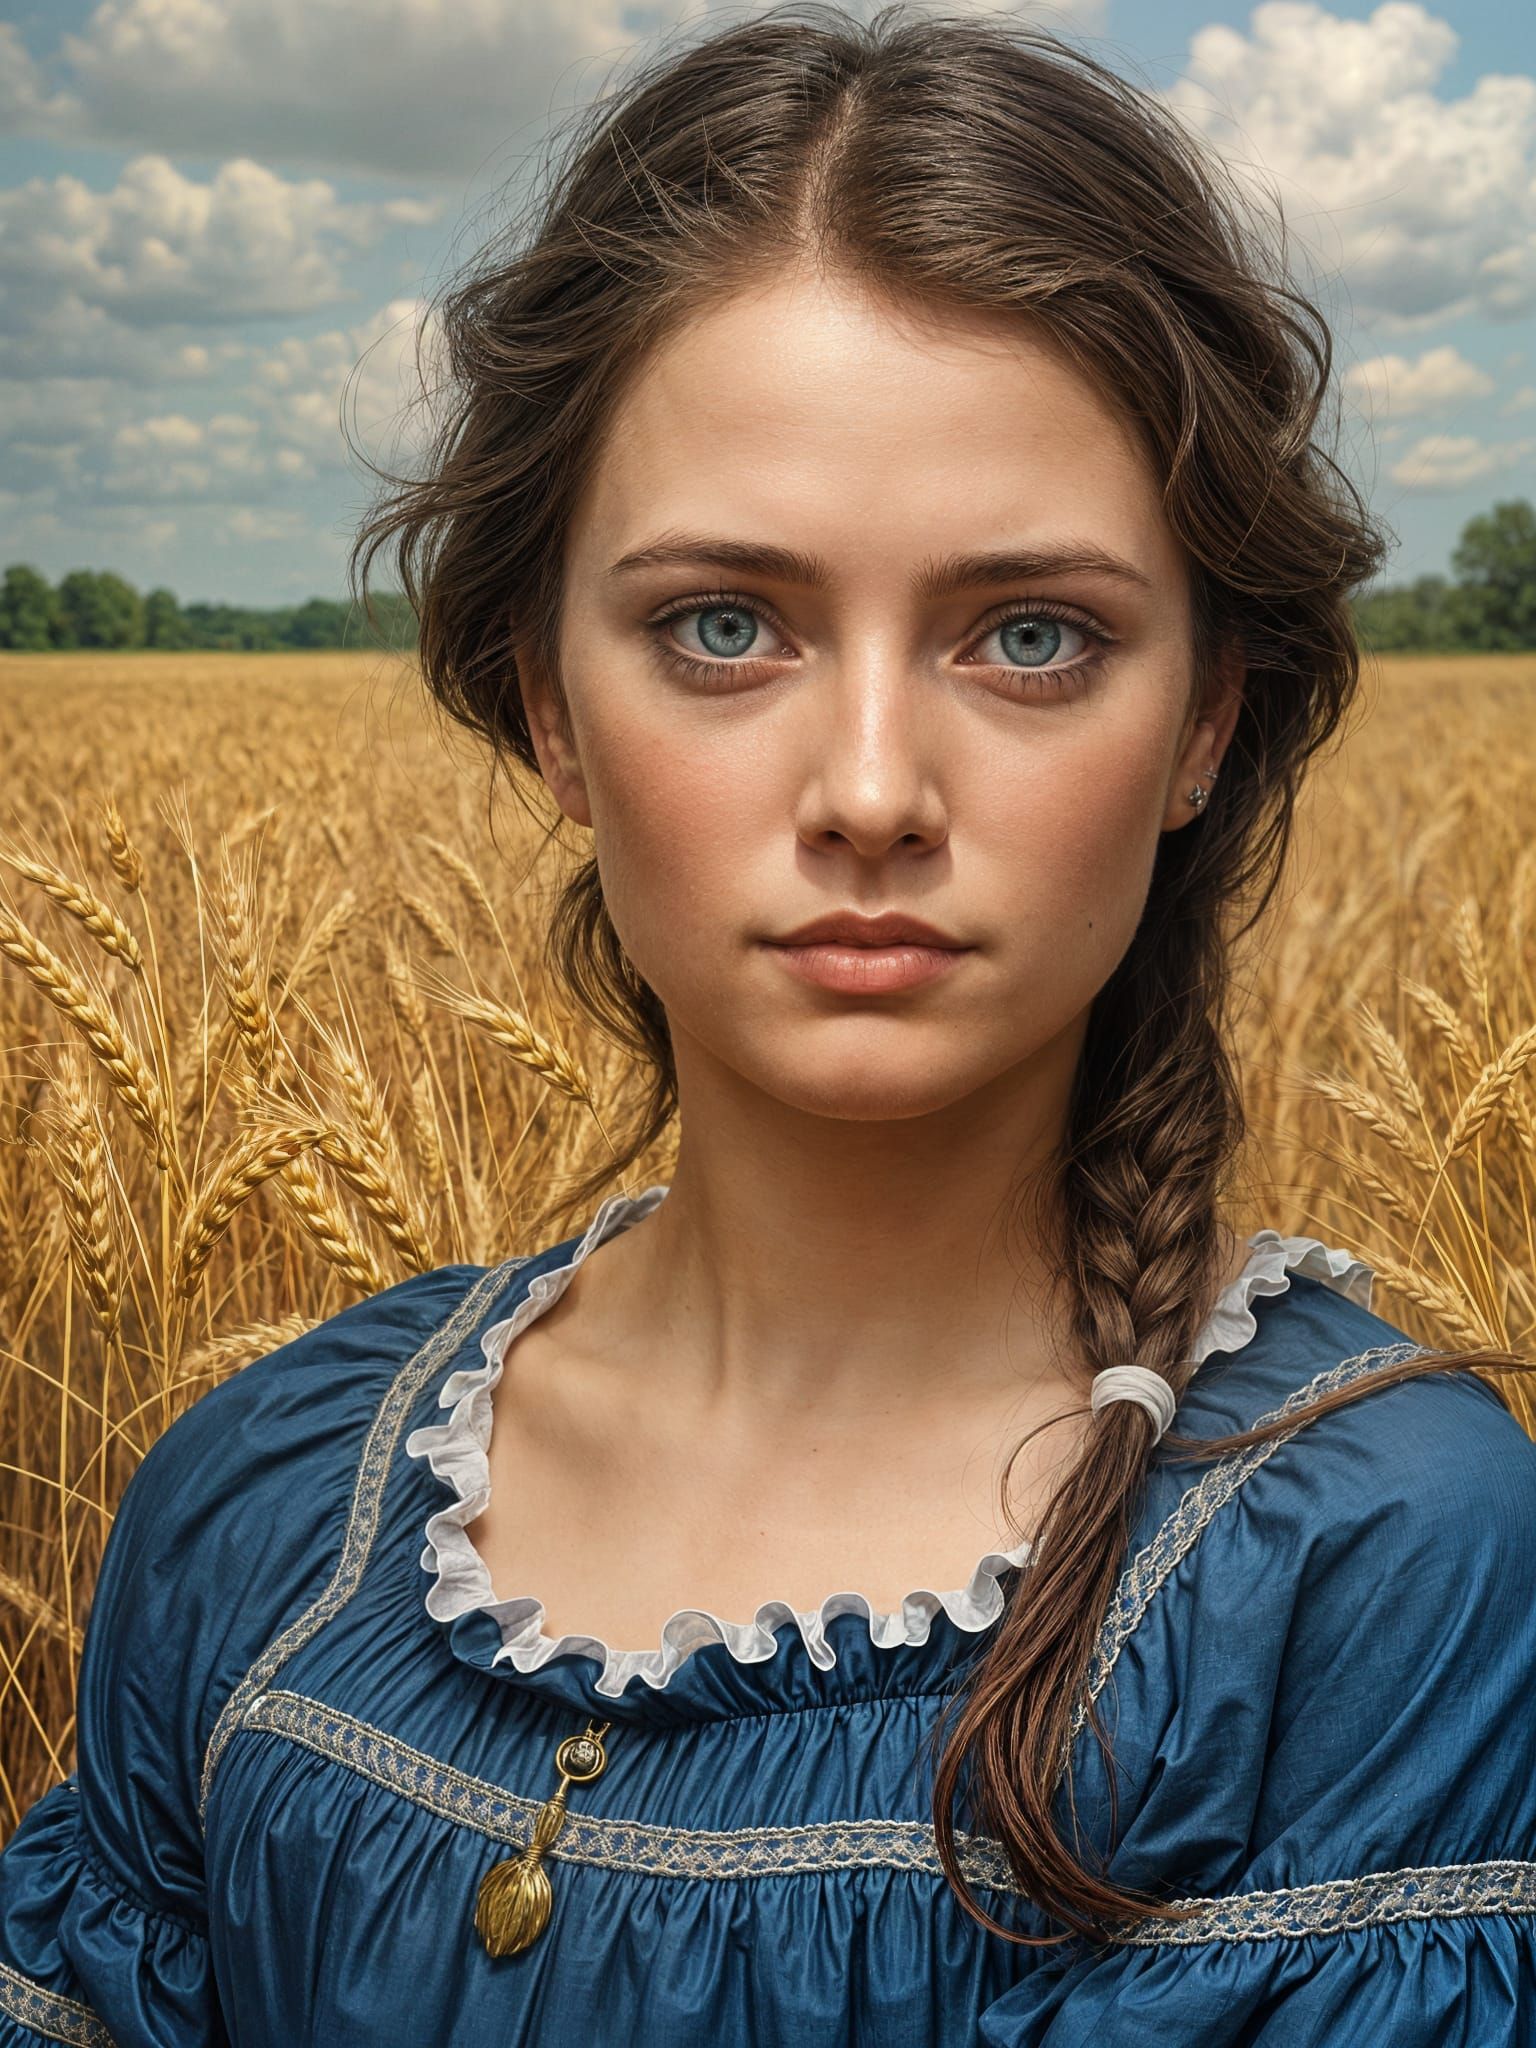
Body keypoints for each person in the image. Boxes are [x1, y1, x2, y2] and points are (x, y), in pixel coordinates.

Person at [4, 7, 1535, 2044]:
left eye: (1032, 635)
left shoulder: (1367, 1567)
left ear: (1206, 722)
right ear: (550, 703)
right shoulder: (263, 1501)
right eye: (724, 626)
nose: (875, 787)